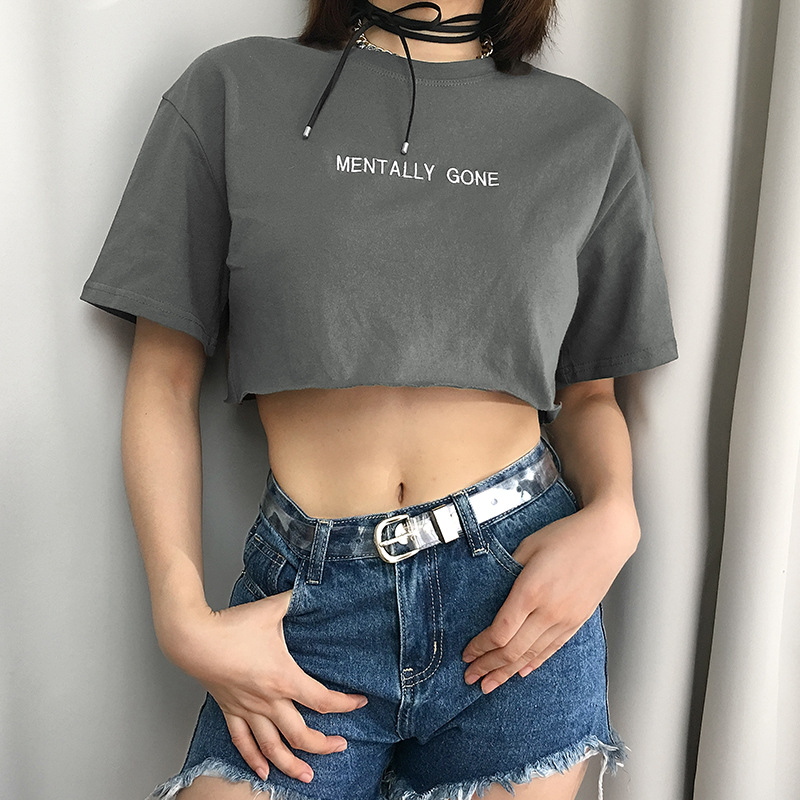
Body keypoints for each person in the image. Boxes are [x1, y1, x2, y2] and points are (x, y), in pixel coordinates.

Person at [79, 1, 679, 798]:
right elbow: (162, 375)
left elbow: (592, 393)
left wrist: (615, 516)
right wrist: (180, 615)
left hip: (517, 596)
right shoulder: (234, 89)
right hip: (307, 604)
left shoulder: (585, 132)